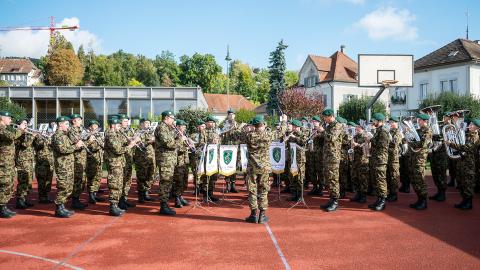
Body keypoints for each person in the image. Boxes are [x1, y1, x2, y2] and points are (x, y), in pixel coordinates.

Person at [244, 114, 287, 223]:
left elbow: (241, 133)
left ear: (254, 125)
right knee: (263, 190)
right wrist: (284, 121)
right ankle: (262, 215)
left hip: (252, 168)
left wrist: (249, 127)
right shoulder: (268, 135)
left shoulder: (249, 136)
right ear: (263, 124)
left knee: (252, 191)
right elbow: (281, 132)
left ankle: (253, 214)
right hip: (264, 168)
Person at [104, 117, 139, 216]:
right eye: (118, 125)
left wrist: (130, 141)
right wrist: (130, 145)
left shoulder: (116, 134)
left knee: (119, 184)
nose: (120, 127)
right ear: (113, 125)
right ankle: (113, 206)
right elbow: (118, 150)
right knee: (114, 184)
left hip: (119, 163)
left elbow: (121, 144)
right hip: (114, 163)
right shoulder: (110, 135)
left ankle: (116, 204)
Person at [53, 116, 84, 218]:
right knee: (63, 187)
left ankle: (62, 206)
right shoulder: (57, 136)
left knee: (68, 187)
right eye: (66, 124)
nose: (68, 126)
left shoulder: (65, 135)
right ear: (60, 124)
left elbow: (70, 145)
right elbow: (63, 150)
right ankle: (58, 208)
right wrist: (76, 146)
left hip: (68, 165)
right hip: (63, 166)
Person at [447, 118, 480, 210]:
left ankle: (468, 203)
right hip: (462, 162)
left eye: (472, 125)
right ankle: (464, 201)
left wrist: (451, 144)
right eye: (471, 124)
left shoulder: (475, 137)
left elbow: (466, 147)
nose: (470, 125)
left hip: (469, 165)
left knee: (468, 184)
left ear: (477, 128)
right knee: (461, 183)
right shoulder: (468, 135)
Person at [155, 110, 181, 215]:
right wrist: (180, 140)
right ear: (166, 118)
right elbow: (168, 143)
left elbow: (171, 140)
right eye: (172, 118)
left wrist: (177, 134)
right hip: (165, 159)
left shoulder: (168, 128)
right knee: (165, 182)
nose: (173, 120)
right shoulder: (161, 128)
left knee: (168, 181)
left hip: (169, 159)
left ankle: (165, 204)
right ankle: (163, 205)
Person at [0, 111, 25, 218]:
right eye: (9, 118)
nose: (11, 120)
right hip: (3, 163)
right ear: (2, 118)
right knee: (5, 184)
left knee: (9, 184)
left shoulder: (5, 129)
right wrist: (20, 128)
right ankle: (1, 207)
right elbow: (12, 136)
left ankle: (3, 206)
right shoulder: (1, 129)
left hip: (8, 162)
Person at [319, 109, 343, 212]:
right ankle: (331, 199)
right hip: (327, 156)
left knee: (333, 179)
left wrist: (323, 131)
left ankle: (335, 201)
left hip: (333, 157)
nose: (324, 119)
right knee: (328, 179)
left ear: (331, 116)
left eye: (325, 117)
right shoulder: (329, 126)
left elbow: (332, 138)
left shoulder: (337, 126)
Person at [407, 113, 432, 210]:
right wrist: (408, 133)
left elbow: (422, 144)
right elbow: (412, 138)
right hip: (414, 157)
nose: (418, 121)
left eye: (420, 120)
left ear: (425, 121)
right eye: (418, 120)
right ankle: (419, 199)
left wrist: (411, 143)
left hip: (420, 158)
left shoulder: (428, 131)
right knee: (414, 179)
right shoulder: (419, 130)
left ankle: (424, 201)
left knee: (420, 179)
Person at [367, 113, 390, 211]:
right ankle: (379, 199)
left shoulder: (383, 131)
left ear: (379, 121)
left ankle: (383, 201)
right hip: (376, 158)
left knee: (381, 180)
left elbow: (383, 145)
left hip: (381, 159)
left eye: (374, 120)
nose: (373, 122)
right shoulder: (378, 131)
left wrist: (371, 139)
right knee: (376, 180)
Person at [68, 114, 90, 210]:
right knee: (77, 181)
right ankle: (74, 201)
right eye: (79, 120)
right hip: (77, 159)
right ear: (74, 121)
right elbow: (79, 145)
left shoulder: (80, 130)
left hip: (82, 159)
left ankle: (77, 199)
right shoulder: (71, 131)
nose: (81, 122)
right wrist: (89, 141)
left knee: (81, 181)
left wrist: (89, 135)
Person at [14, 118, 36, 209]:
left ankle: (24, 198)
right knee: (23, 181)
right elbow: (24, 145)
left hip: (29, 160)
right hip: (22, 160)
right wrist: (32, 136)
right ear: (19, 125)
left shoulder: (26, 134)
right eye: (24, 123)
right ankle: (19, 200)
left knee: (28, 180)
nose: (26, 125)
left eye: (26, 123)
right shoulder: (18, 134)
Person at [134, 118, 156, 203]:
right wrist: (149, 141)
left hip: (151, 157)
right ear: (141, 124)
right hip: (141, 158)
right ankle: (141, 195)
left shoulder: (150, 132)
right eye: (146, 123)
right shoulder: (137, 132)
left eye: (149, 123)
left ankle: (146, 192)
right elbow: (139, 144)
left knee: (150, 175)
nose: (148, 124)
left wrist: (155, 140)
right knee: (141, 176)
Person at [429, 112, 449, 202]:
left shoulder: (450, 127)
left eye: (447, 117)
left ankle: (442, 193)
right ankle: (439, 191)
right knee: (435, 173)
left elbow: (447, 139)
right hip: (435, 153)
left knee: (441, 174)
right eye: (445, 117)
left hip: (442, 154)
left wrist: (438, 137)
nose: (445, 119)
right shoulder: (440, 126)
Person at [286, 119, 308, 202]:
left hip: (300, 159)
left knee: (300, 177)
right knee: (292, 176)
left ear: (296, 127)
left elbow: (303, 142)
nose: (292, 127)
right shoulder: (290, 134)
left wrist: (295, 137)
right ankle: (294, 194)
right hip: (292, 158)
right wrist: (287, 137)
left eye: (293, 126)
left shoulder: (303, 134)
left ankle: (300, 195)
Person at [117, 114, 136, 209]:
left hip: (128, 159)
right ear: (119, 121)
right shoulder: (116, 131)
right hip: (120, 160)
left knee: (127, 181)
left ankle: (124, 199)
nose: (127, 123)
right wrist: (129, 143)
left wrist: (134, 140)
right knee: (121, 181)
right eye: (125, 121)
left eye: (127, 121)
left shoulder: (127, 131)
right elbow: (118, 146)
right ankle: (120, 201)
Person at [201, 116, 221, 202]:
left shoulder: (216, 132)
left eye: (213, 122)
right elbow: (201, 143)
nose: (212, 124)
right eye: (210, 122)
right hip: (207, 157)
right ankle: (205, 195)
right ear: (206, 123)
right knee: (206, 176)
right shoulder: (203, 132)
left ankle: (211, 194)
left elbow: (219, 145)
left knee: (214, 176)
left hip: (215, 157)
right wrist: (210, 142)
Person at [85, 120, 105, 204]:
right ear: (90, 127)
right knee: (92, 178)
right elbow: (92, 148)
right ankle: (91, 196)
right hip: (91, 160)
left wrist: (101, 144)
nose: (96, 127)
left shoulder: (98, 135)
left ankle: (95, 194)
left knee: (98, 177)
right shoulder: (87, 135)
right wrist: (100, 144)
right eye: (94, 125)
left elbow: (104, 145)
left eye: (97, 126)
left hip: (99, 159)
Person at [221, 109, 240, 193]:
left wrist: (236, 129)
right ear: (227, 115)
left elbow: (240, 135)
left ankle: (233, 184)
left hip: (235, 148)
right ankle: (227, 184)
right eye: (230, 114)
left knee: (234, 167)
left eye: (233, 114)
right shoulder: (224, 125)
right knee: (227, 165)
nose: (231, 116)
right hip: (226, 148)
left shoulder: (237, 125)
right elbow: (220, 133)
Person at [33, 129, 54, 204]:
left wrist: (50, 138)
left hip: (49, 163)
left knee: (48, 181)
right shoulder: (38, 139)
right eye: (46, 132)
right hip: (41, 164)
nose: (47, 133)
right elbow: (39, 145)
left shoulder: (49, 139)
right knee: (42, 181)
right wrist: (40, 136)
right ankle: (42, 197)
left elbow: (53, 146)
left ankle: (46, 196)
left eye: (49, 132)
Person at [173, 119, 191, 208]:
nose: (184, 127)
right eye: (183, 126)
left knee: (184, 180)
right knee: (178, 180)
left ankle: (180, 196)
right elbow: (176, 148)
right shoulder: (175, 135)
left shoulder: (183, 134)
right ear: (178, 126)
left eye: (185, 126)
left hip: (185, 161)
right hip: (178, 161)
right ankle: (176, 198)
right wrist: (186, 148)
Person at [350, 123, 369, 203]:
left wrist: (357, 145)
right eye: (356, 128)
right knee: (355, 177)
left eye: (359, 128)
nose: (357, 129)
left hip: (362, 160)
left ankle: (363, 196)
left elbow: (367, 147)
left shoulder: (366, 136)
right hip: (355, 160)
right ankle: (358, 194)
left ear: (362, 128)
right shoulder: (354, 136)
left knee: (363, 178)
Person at [386, 117, 402, 202]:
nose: (390, 124)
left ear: (396, 123)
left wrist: (389, 138)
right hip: (388, 157)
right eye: (390, 122)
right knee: (388, 175)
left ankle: (394, 194)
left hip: (394, 158)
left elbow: (395, 143)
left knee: (393, 176)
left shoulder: (398, 132)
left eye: (392, 122)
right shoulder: (389, 132)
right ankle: (390, 192)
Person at [308, 116, 323, 196]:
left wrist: (318, 134)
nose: (314, 123)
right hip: (312, 153)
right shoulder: (311, 130)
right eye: (313, 121)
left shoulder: (321, 130)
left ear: (319, 122)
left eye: (315, 121)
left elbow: (324, 139)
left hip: (319, 154)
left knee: (320, 172)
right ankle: (314, 187)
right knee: (312, 171)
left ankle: (320, 188)